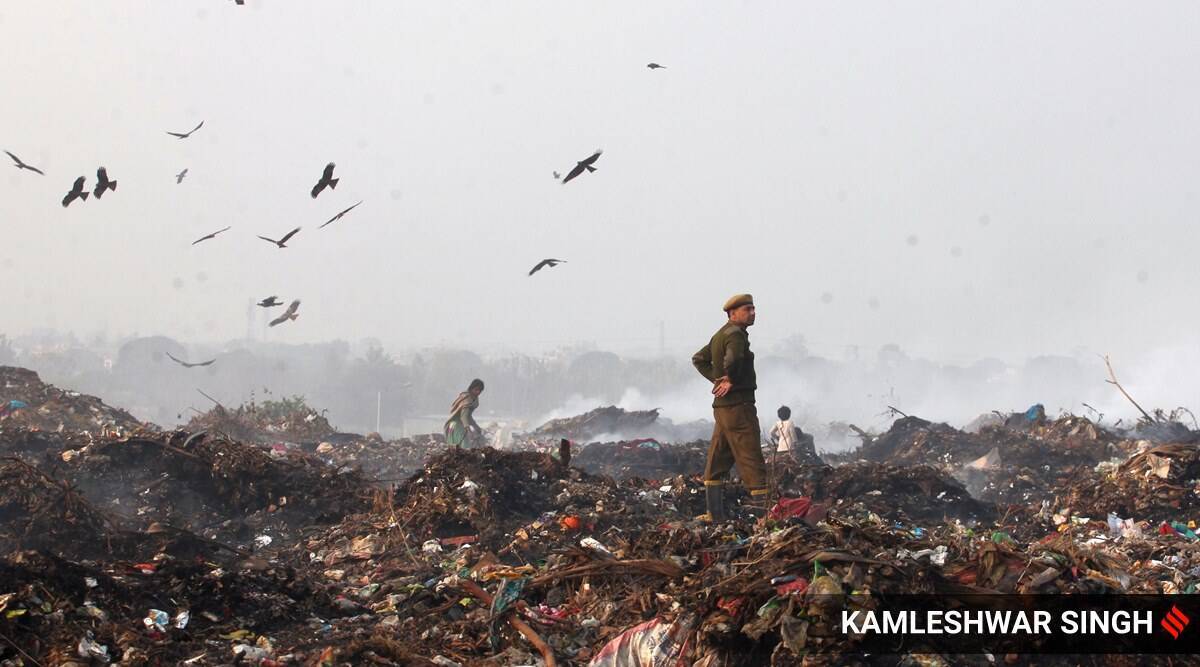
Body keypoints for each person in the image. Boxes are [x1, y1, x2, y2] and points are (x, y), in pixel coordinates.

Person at [691, 293, 768, 521]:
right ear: (732, 313)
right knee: (751, 457)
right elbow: (733, 360)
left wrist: (717, 379)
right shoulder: (735, 335)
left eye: (753, 309)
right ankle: (763, 518)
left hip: (723, 409)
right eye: (747, 309)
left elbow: (698, 359)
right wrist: (728, 379)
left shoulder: (719, 335)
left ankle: (713, 514)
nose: (753, 313)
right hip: (739, 406)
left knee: (718, 459)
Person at [445, 379, 485, 448]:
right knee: (464, 446)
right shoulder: (466, 399)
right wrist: (469, 430)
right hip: (456, 425)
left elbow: (468, 416)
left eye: (480, 390)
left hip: (461, 424)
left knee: (460, 448)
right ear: (471, 388)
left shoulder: (474, 398)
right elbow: (463, 417)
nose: (478, 392)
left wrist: (475, 426)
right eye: (476, 389)